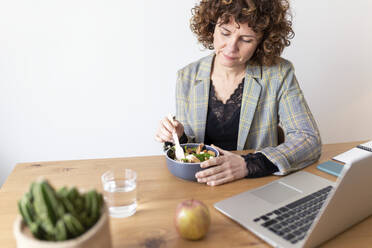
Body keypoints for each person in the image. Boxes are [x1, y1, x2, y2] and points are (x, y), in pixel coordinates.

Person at [154, 0, 321, 186]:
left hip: (256, 185)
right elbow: (191, 150)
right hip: (202, 184)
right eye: (225, 33)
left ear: (261, 42)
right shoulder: (187, 76)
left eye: (247, 39)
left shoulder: (279, 73)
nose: (231, 47)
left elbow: (309, 140)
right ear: (211, 27)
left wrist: (247, 165)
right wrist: (177, 137)